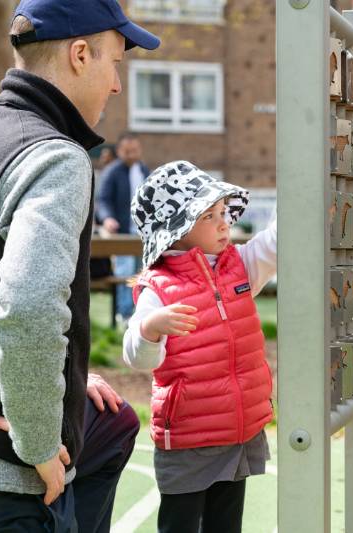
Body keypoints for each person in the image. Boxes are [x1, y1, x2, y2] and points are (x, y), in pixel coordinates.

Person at [0, 1, 159, 532]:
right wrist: (39, 439)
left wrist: (63, 377)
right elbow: (26, 311)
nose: (116, 86)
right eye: (116, 64)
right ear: (80, 54)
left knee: (114, 426)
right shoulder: (54, 158)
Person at [123, 161, 276, 533]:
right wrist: (150, 329)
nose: (224, 223)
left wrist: (300, 186)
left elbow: (275, 244)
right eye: (209, 216)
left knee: (226, 524)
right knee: (180, 525)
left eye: (223, 212)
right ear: (177, 230)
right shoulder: (158, 286)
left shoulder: (237, 265)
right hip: (189, 437)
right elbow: (137, 357)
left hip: (235, 428)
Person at [96, 132, 150, 325]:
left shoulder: (143, 170)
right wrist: (108, 218)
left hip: (142, 234)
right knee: (125, 272)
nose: (131, 154)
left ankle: (139, 312)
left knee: (142, 274)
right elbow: (102, 200)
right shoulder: (112, 171)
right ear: (119, 151)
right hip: (122, 233)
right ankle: (124, 313)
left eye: (135, 150)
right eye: (127, 151)